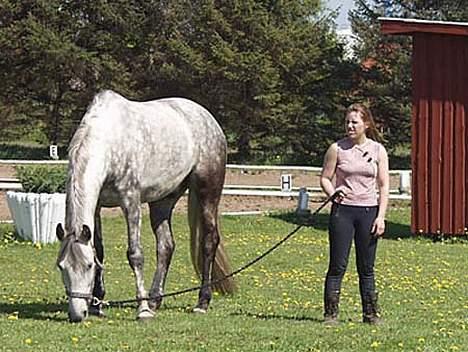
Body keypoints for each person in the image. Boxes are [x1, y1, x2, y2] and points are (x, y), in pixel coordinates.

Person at [320, 103, 389, 325]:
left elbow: (384, 185)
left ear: (366, 124)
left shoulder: (378, 150)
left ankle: (370, 314)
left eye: (354, 122)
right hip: (343, 212)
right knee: (337, 265)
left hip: (368, 211)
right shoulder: (337, 149)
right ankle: (331, 314)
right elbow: (324, 178)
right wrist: (333, 192)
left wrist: (381, 216)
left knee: (366, 267)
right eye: (347, 122)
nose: (350, 126)